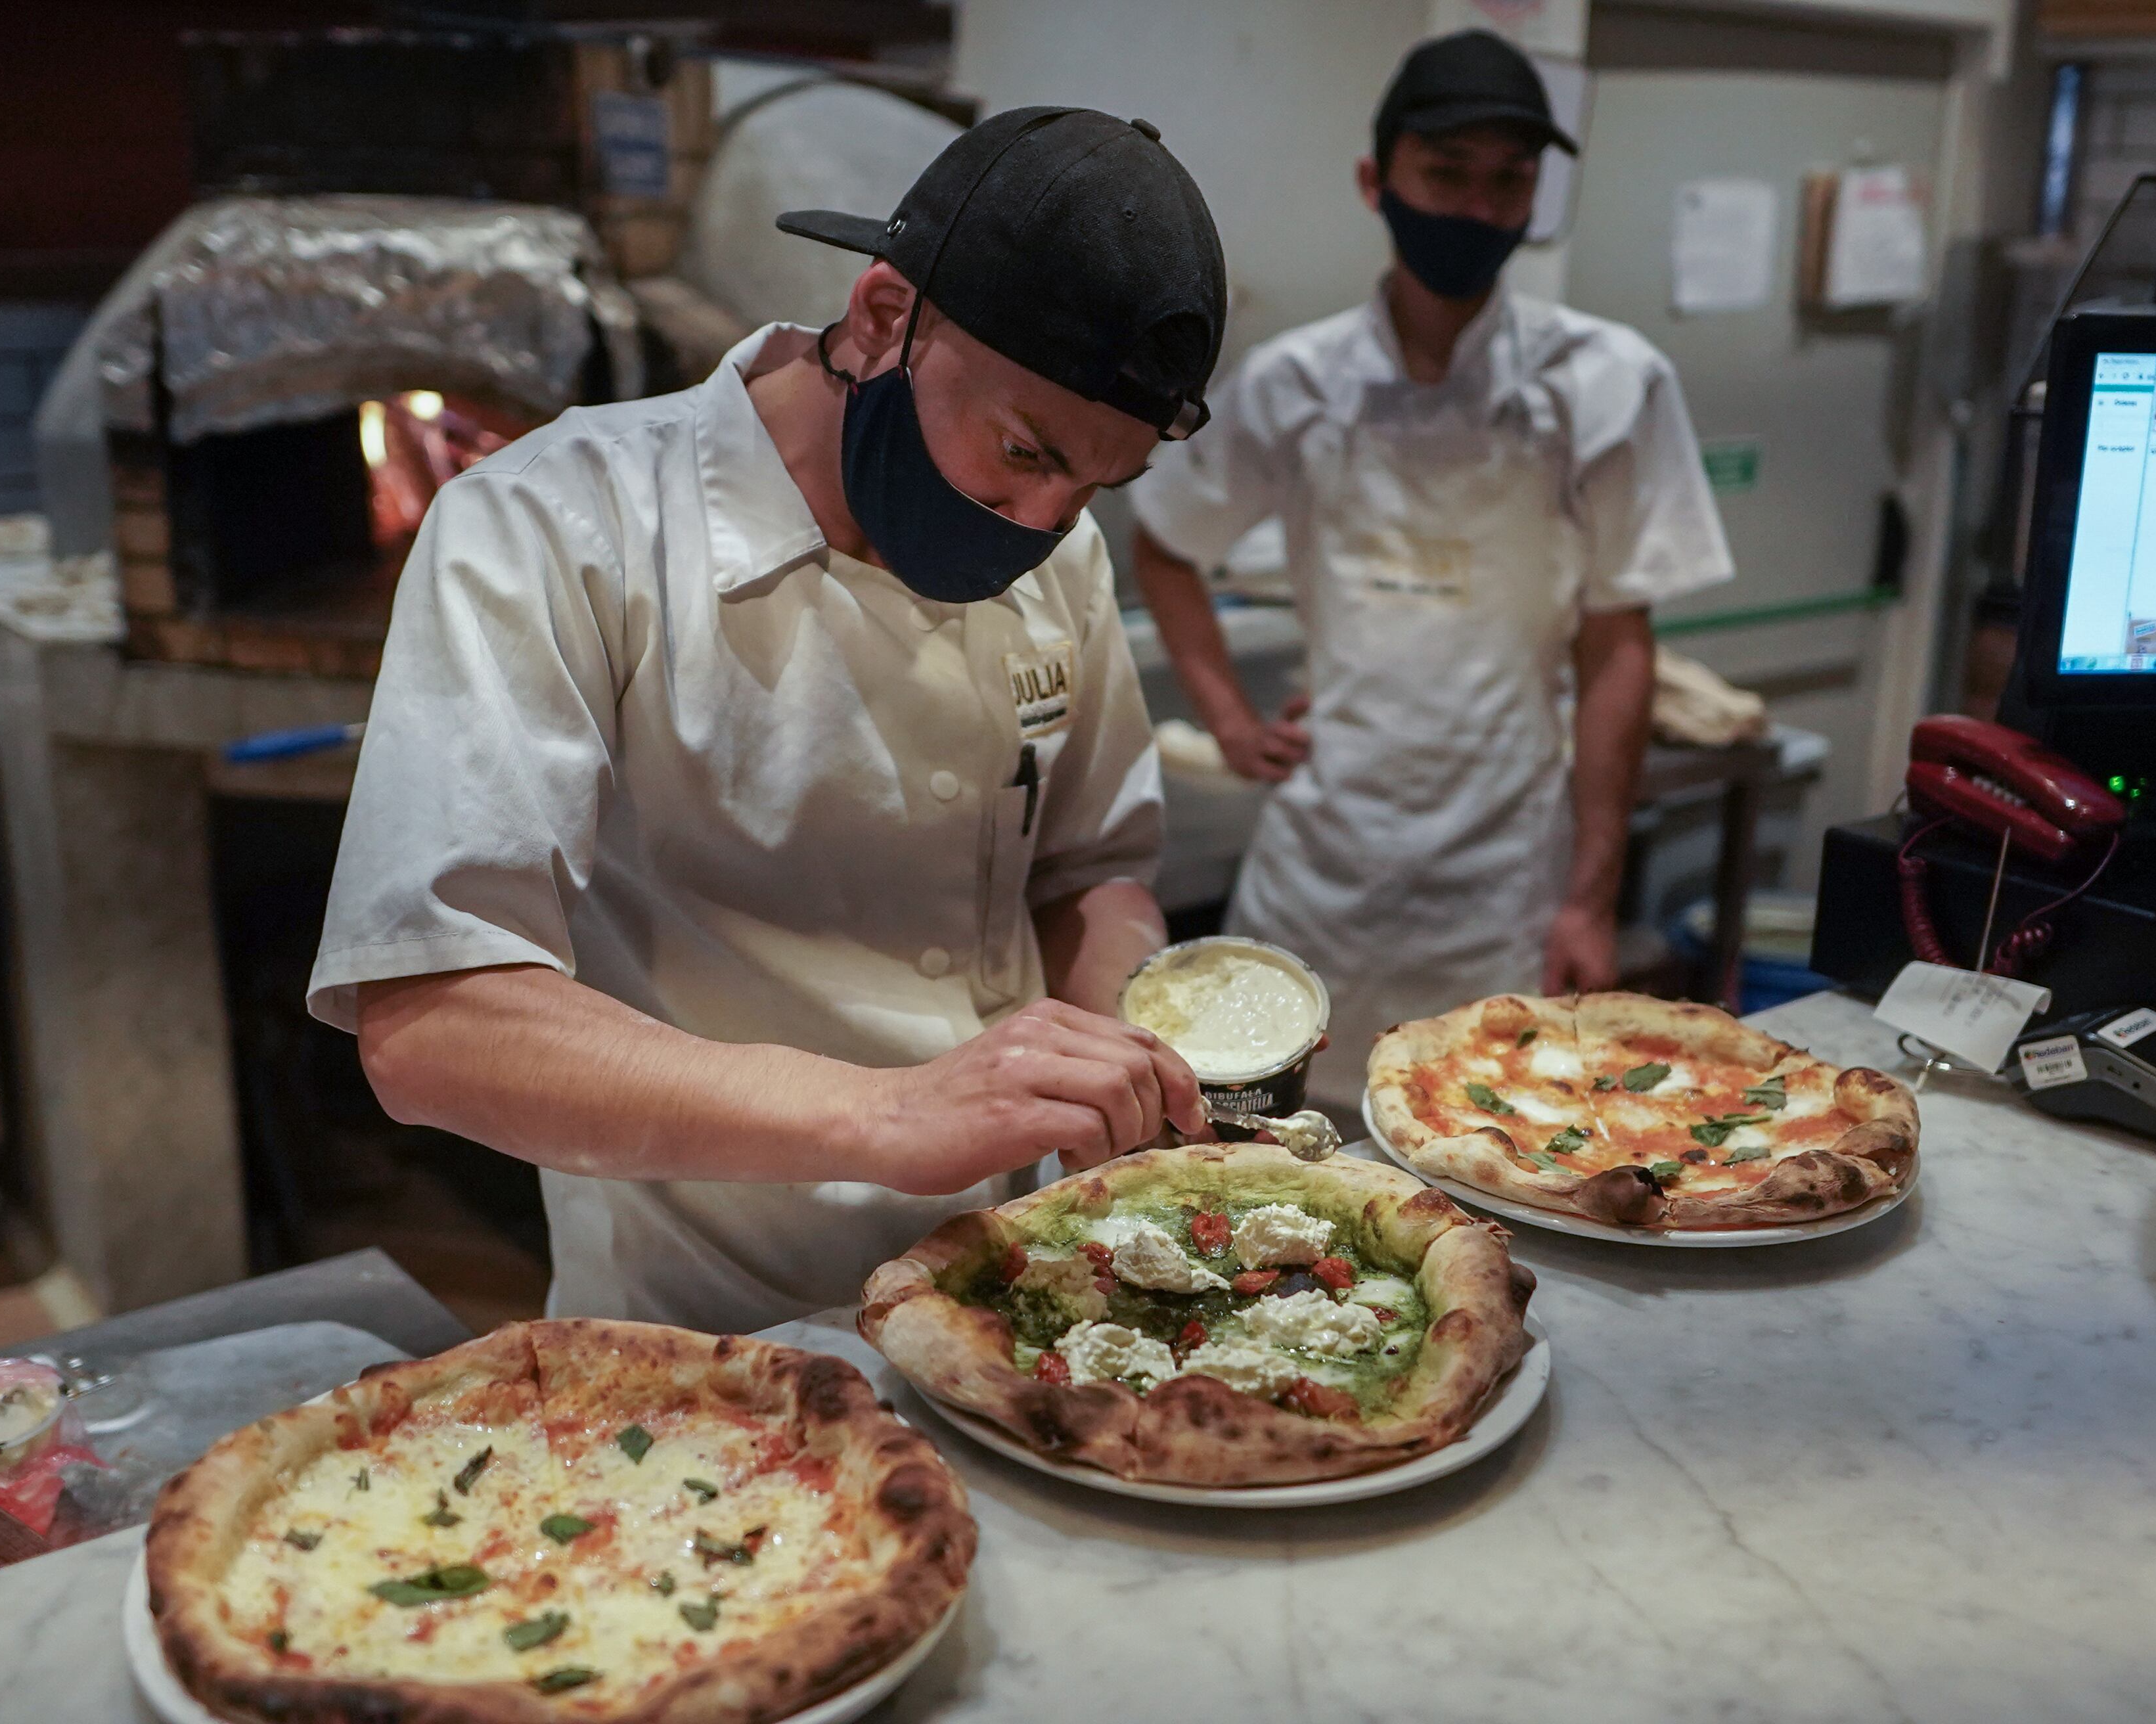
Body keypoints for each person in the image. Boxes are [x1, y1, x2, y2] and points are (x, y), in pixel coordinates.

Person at [306, 108, 1229, 1333]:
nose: (1040, 526)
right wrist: (890, 1114)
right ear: (885, 316)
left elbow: (1088, 869)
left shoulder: (1062, 552)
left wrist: (1135, 1068)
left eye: (1092, 488)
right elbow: (435, 1023)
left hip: (1019, 1294)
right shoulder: (559, 526)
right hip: (700, 1328)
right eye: (1022, 453)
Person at [1132, 30, 1734, 1104]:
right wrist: (1229, 719)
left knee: (1489, 1135)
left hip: (1504, 880)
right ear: (1378, 182)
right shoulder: (1293, 382)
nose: (1477, 208)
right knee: (1283, 1150)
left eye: (1510, 181)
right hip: (1322, 869)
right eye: (1447, 174)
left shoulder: (1608, 383)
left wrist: (1590, 900)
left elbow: (1617, 649)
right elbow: (1168, 544)